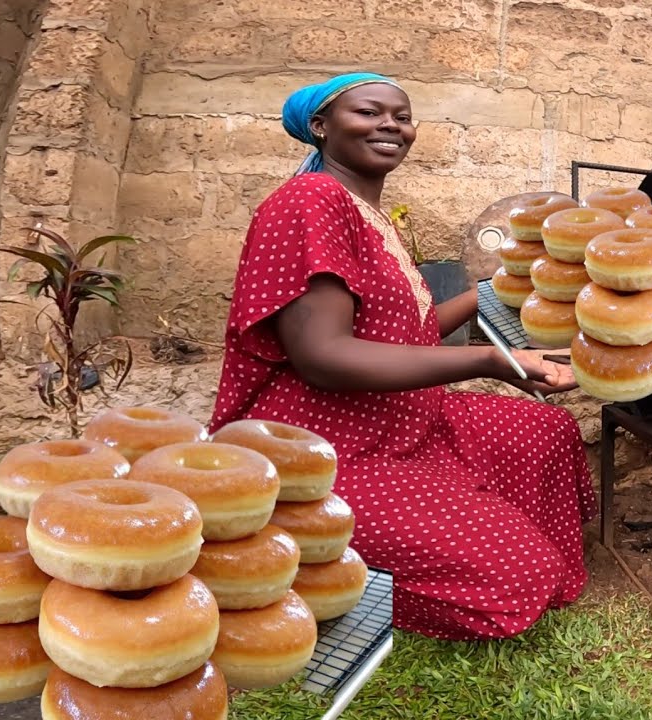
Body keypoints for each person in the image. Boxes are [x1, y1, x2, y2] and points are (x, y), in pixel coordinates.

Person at [208, 72, 597, 640]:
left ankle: (491, 536)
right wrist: (491, 361)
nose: (391, 125)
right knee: (518, 574)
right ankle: (290, 569)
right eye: (369, 113)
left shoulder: (371, 216)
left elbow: (406, 335)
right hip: (327, 450)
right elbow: (322, 356)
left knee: (547, 429)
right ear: (320, 126)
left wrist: (492, 292)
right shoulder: (310, 201)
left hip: (404, 422)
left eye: (403, 116)